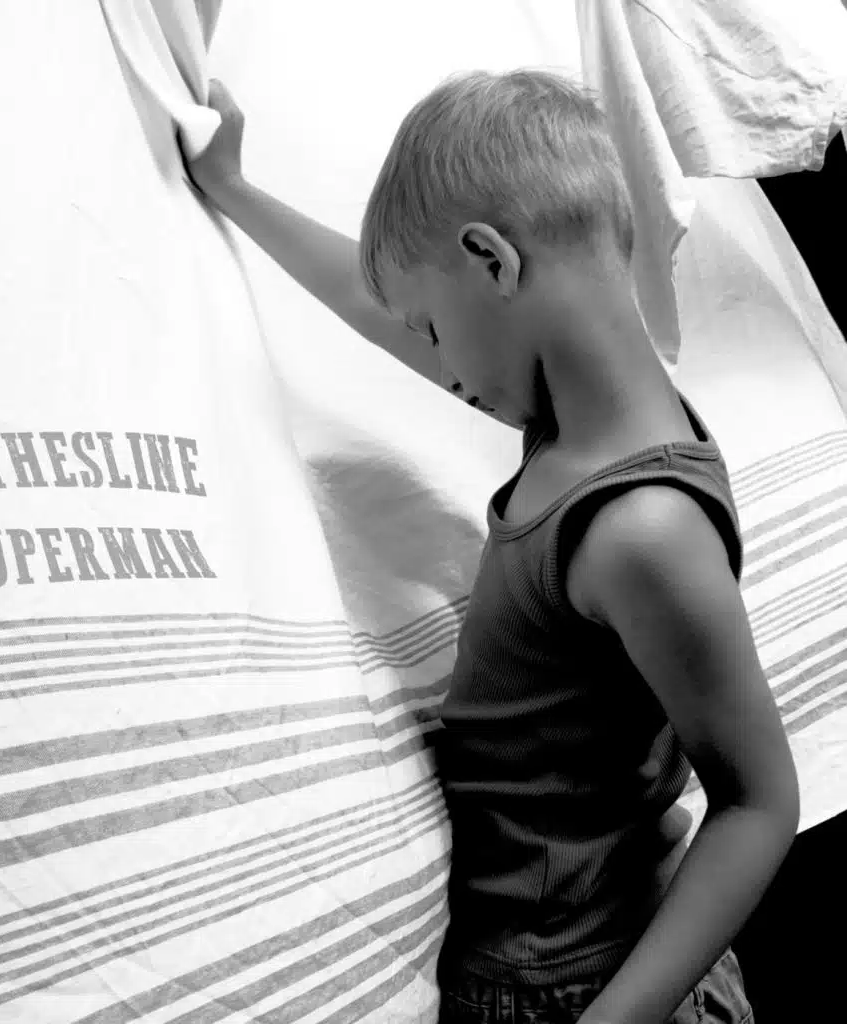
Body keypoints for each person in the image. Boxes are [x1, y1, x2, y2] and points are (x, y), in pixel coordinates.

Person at [184, 70, 799, 1024]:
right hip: (554, 969)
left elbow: (760, 805)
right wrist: (233, 189)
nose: (439, 363)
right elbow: (372, 300)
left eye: (434, 329)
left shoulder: (639, 528)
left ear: (491, 260)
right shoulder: (577, 426)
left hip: (588, 988)